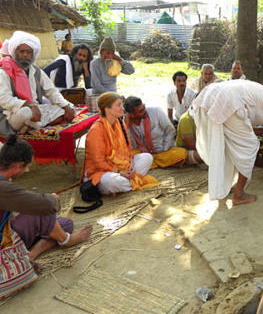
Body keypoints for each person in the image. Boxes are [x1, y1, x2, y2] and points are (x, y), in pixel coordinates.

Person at [0, 135, 92, 273]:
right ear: (19, 165)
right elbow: (46, 205)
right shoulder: (3, 187)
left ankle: (29, 256)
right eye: (27, 167)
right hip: (3, 243)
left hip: (8, 232)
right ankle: (67, 241)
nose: (26, 171)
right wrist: (53, 199)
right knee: (43, 210)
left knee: (65, 224)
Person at [192, 80, 263, 205]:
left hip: (210, 94)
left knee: (227, 144)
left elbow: (245, 129)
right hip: (228, 100)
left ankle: (224, 187)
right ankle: (239, 195)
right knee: (251, 146)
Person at [83, 92, 159, 196]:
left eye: (121, 105)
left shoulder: (120, 124)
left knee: (147, 158)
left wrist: (131, 165)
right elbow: (98, 162)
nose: (122, 108)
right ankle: (126, 182)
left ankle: (123, 184)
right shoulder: (96, 130)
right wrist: (119, 172)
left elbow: (129, 148)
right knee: (112, 181)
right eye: (118, 105)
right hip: (102, 172)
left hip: (122, 167)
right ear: (107, 109)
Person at [0, 31, 75, 134]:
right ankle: (32, 124)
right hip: (13, 114)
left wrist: (66, 106)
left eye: (29, 52)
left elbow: (51, 91)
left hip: (36, 109)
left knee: (67, 110)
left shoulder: (36, 71)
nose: (25, 55)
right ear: (15, 52)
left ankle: (30, 126)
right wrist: (29, 105)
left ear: (33, 53)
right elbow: (4, 99)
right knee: (26, 113)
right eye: (21, 51)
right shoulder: (4, 72)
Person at [124, 96, 188, 169]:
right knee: (127, 157)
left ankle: (150, 164)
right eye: (141, 111)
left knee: (182, 153)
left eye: (144, 107)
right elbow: (133, 146)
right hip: (143, 154)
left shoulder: (156, 111)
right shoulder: (126, 122)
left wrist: (164, 149)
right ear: (131, 115)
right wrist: (127, 127)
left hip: (162, 152)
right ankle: (162, 163)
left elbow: (170, 131)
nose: (145, 111)